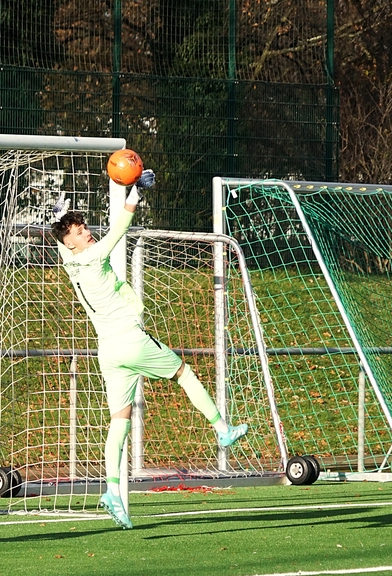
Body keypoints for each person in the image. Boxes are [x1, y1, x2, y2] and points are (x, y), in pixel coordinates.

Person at [50, 171, 247, 529]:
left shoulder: (69, 260)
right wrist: (135, 192)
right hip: (130, 340)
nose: (86, 232)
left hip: (108, 352)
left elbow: (62, 240)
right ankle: (221, 428)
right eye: (78, 231)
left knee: (119, 421)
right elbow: (119, 228)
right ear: (71, 242)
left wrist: (59, 218)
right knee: (183, 373)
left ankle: (112, 491)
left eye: (84, 227)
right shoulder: (92, 256)